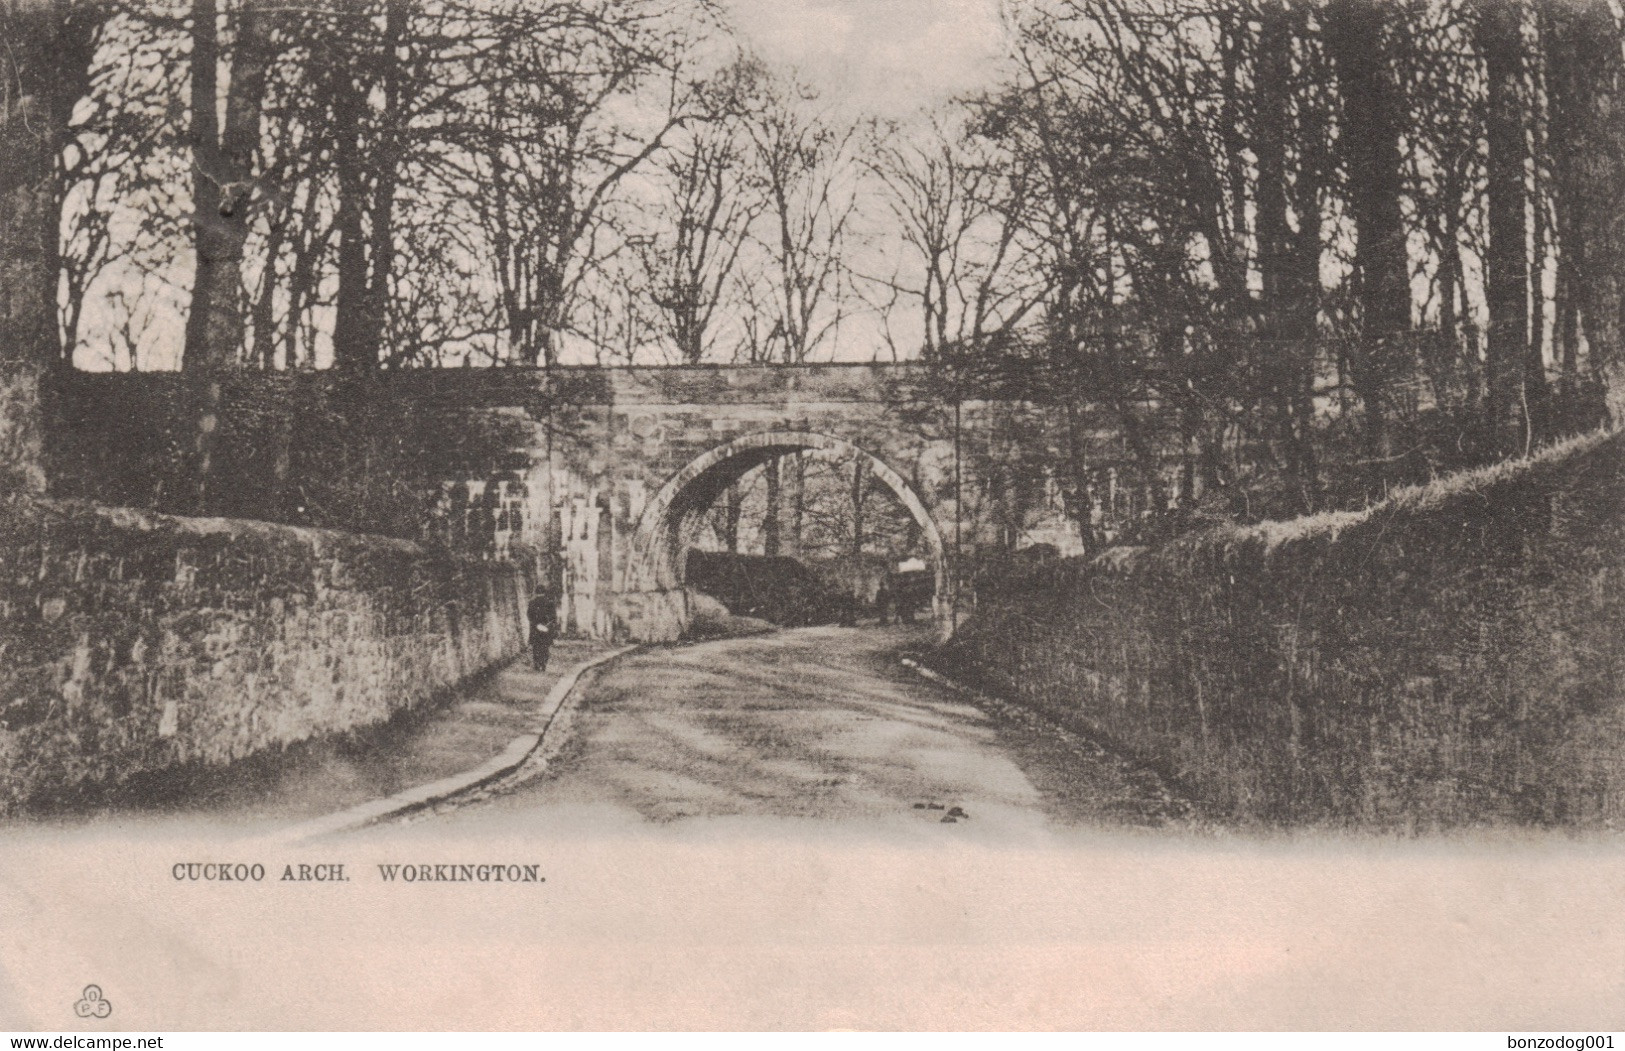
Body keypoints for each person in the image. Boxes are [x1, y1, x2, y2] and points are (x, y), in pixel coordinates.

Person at [526, 588, 557, 671]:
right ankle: (543, 664)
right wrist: (549, 625)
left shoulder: (532, 602)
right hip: (546, 628)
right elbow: (553, 617)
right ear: (544, 592)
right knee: (545, 647)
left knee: (536, 647)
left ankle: (537, 664)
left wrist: (536, 624)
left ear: (536, 593)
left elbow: (529, 615)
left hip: (535, 628)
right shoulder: (550, 602)